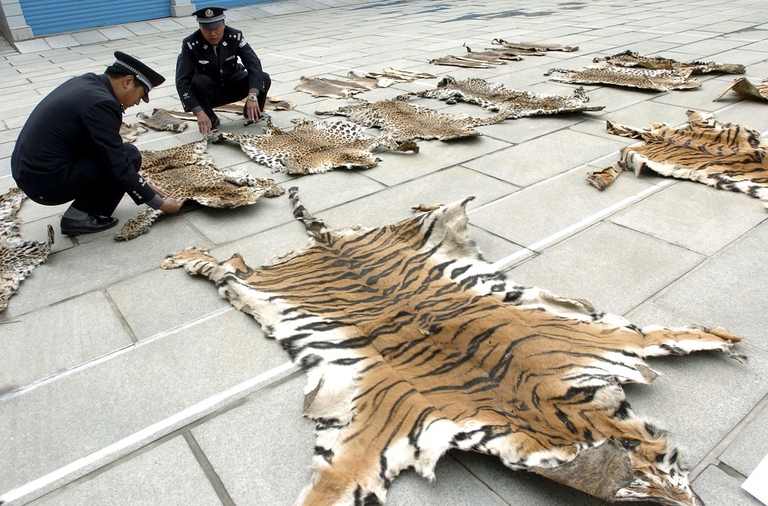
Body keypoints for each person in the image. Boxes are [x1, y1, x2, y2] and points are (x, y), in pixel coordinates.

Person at [11, 51, 185, 236]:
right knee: (129, 156)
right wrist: (161, 204)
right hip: (45, 183)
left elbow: (103, 148)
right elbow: (117, 161)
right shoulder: (102, 103)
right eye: (140, 95)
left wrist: (142, 184)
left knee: (124, 157)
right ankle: (78, 217)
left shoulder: (88, 84)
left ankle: (87, 208)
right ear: (127, 81)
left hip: (31, 173)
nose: (137, 103)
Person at [175, 6, 271, 135]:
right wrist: (198, 112)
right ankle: (210, 117)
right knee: (200, 81)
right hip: (210, 93)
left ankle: (252, 111)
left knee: (263, 78)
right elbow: (182, 82)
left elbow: (253, 63)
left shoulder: (234, 36)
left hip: (233, 84)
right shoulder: (190, 44)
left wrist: (253, 95)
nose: (213, 34)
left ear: (223, 23)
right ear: (200, 27)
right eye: (207, 29)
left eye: (216, 28)